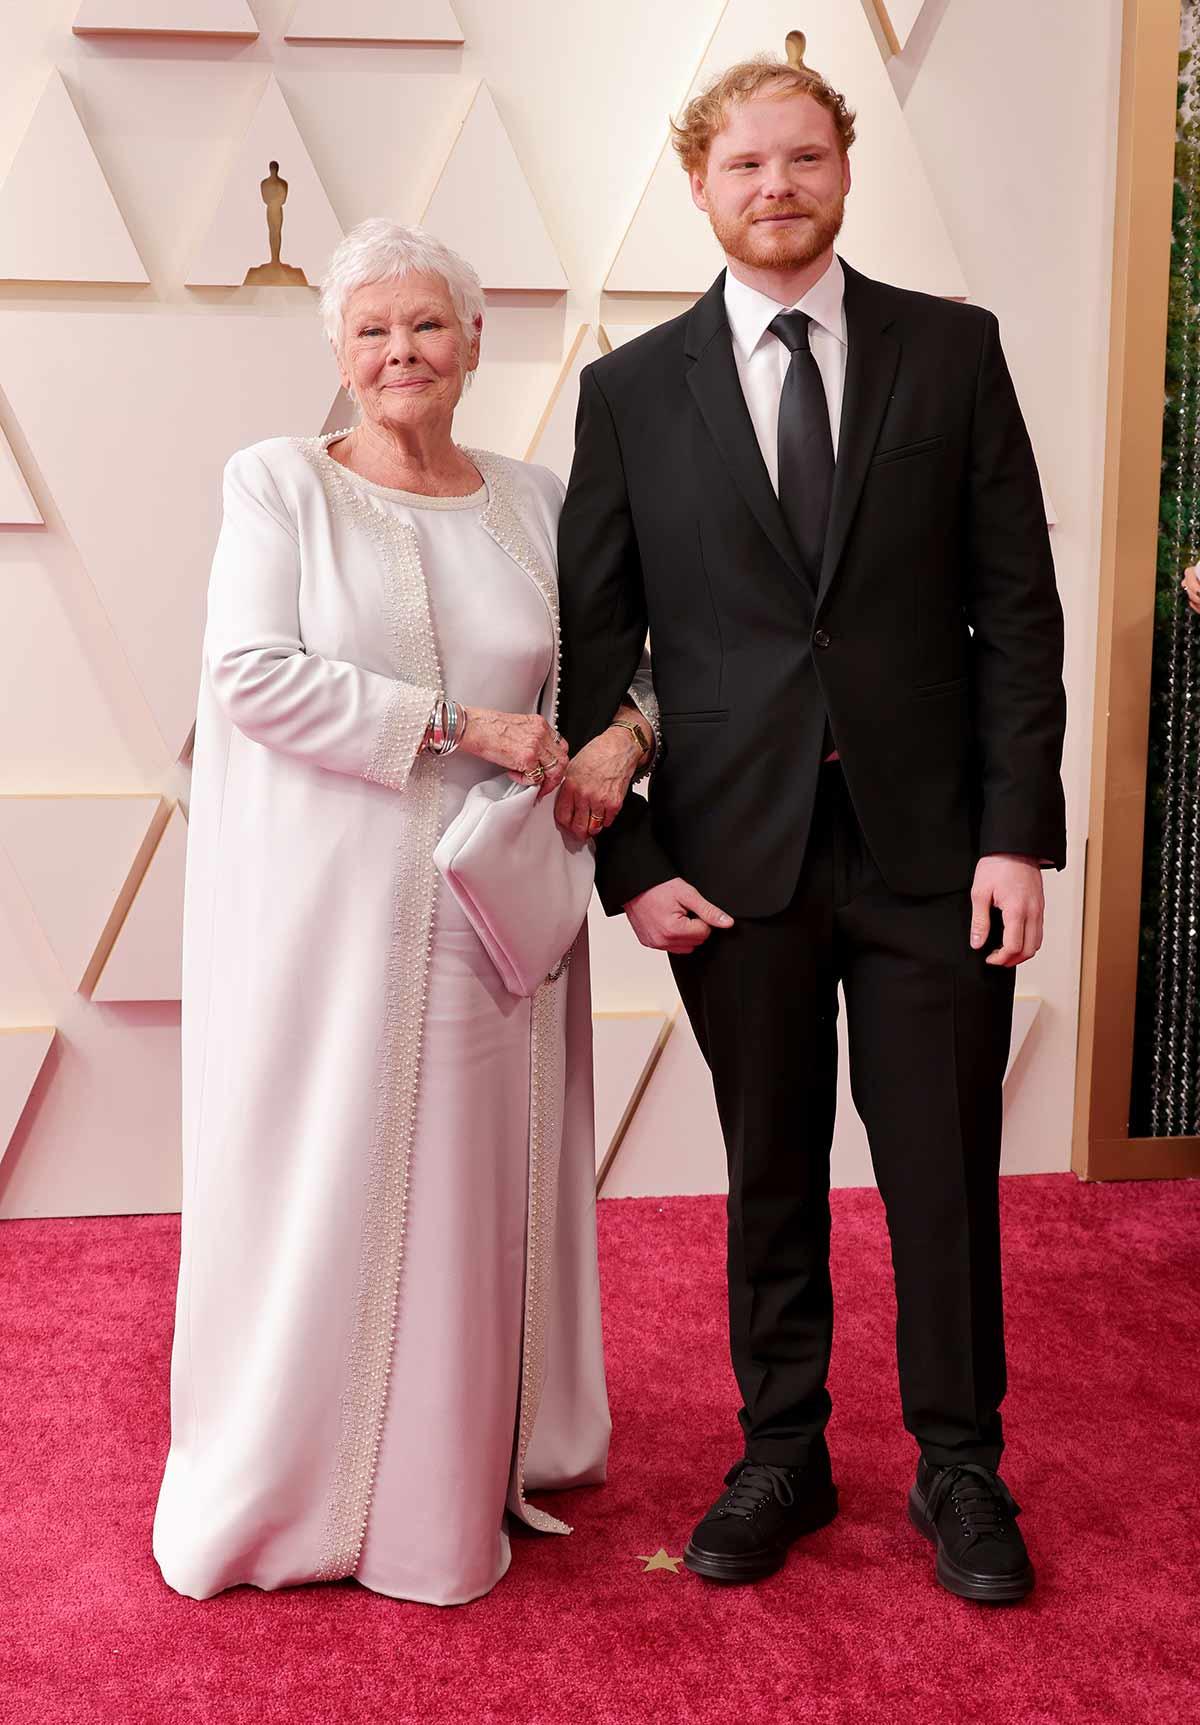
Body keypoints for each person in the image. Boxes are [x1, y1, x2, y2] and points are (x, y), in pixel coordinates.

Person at [557, 51, 1066, 1603]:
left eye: (801, 158)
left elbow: (1016, 615)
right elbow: (593, 647)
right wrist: (631, 864)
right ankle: (783, 1445)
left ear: (845, 169)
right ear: (701, 189)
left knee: (940, 1170)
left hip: (932, 855)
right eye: (743, 167)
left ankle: (959, 1464)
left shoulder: (953, 351)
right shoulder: (632, 391)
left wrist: (1015, 833)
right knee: (767, 1166)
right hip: (732, 862)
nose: (775, 187)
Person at [153, 219, 656, 1606]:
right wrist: (454, 722)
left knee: (472, 1193)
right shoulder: (279, 487)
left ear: (476, 342)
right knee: (335, 1181)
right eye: (371, 330)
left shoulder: (533, 498)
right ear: (337, 349)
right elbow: (251, 671)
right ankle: (326, 1486)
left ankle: (461, 1461)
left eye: (426, 326)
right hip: (339, 923)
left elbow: (630, 656)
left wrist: (623, 737)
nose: (400, 353)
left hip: (500, 920)